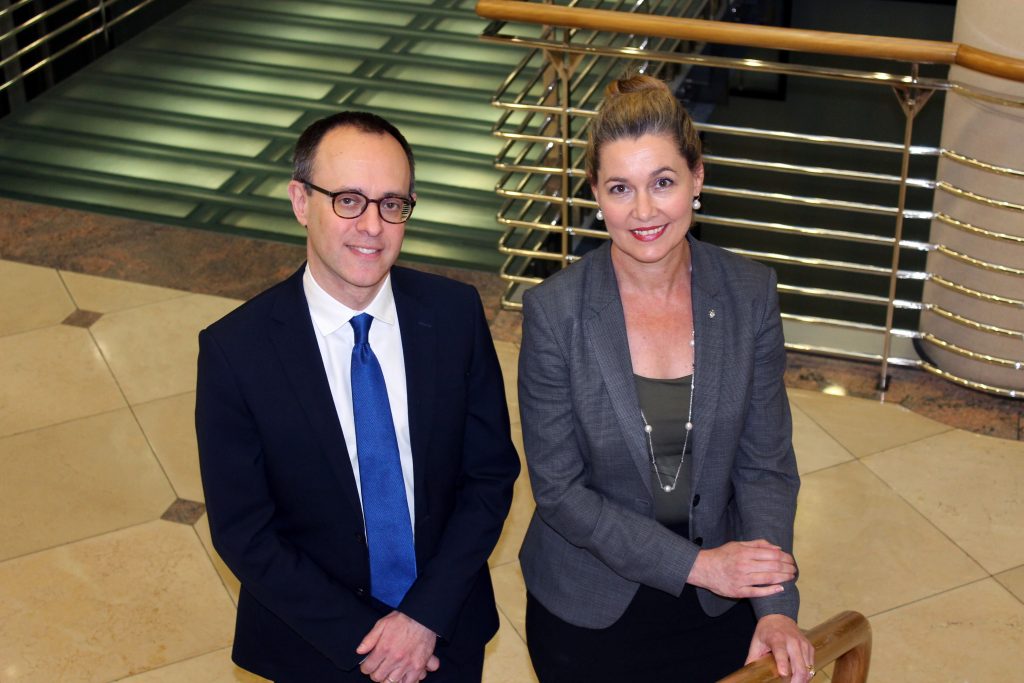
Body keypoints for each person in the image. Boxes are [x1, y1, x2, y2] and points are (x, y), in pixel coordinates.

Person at [196, 111, 520, 683]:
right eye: (349, 200)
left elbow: (489, 476)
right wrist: (373, 644)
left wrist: (423, 619)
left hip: (445, 632)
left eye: (392, 204)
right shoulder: (235, 350)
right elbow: (245, 530)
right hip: (313, 647)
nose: (372, 226)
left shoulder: (454, 314)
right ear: (301, 201)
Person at [517, 75, 814, 683]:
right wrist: (699, 567)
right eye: (620, 188)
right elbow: (561, 492)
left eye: (663, 182)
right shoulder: (555, 312)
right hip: (590, 605)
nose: (644, 212)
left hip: (719, 602)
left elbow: (764, 466)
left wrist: (776, 607)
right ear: (595, 193)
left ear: (697, 179)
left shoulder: (750, 294)